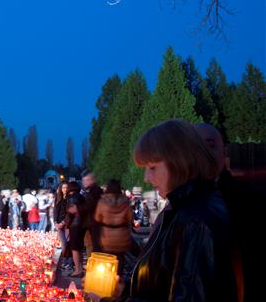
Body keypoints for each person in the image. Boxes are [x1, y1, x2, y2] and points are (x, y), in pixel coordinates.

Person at [98, 119, 237, 301]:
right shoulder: (182, 209)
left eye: (152, 167)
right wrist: (126, 290)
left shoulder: (196, 219)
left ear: (179, 162)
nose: (146, 177)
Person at [195, 123, 265, 302]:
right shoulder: (178, 204)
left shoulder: (248, 201)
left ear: (224, 153)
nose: (203, 153)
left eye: (210, 146)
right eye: (195, 146)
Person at [94, 179, 133, 275]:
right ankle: (118, 283)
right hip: (122, 237)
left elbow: (97, 218)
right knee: (120, 261)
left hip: (106, 237)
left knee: (108, 262)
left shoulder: (102, 202)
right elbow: (130, 218)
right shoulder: (125, 202)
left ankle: (108, 283)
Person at [81, 172, 103, 254]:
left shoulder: (93, 192)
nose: (84, 182)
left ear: (91, 180)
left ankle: (93, 263)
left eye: (86, 180)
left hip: (93, 223)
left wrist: (77, 208)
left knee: (93, 246)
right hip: (94, 222)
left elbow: (89, 205)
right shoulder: (95, 191)